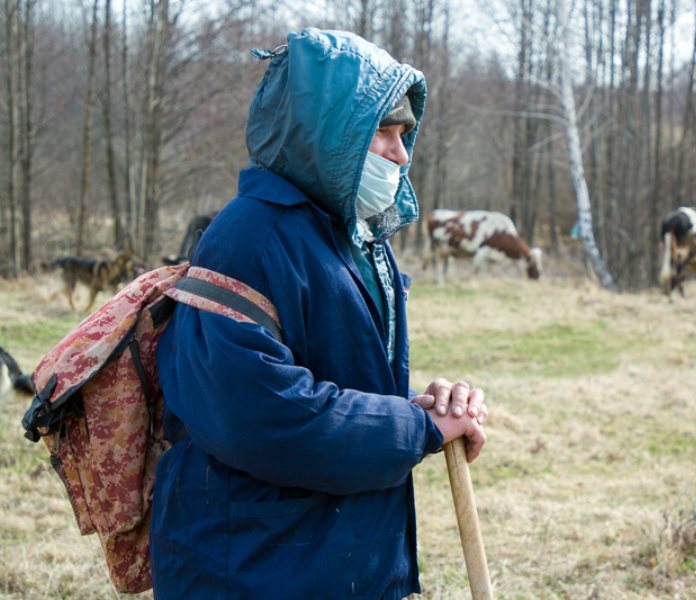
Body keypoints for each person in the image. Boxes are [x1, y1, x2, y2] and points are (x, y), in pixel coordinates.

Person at [151, 28, 488, 599]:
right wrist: (416, 428)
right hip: (252, 569)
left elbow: (338, 382)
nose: (401, 154)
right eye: (383, 131)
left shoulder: (354, 235)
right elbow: (262, 417)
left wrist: (425, 407)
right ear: (327, 129)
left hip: (335, 561)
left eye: (404, 134)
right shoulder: (248, 237)